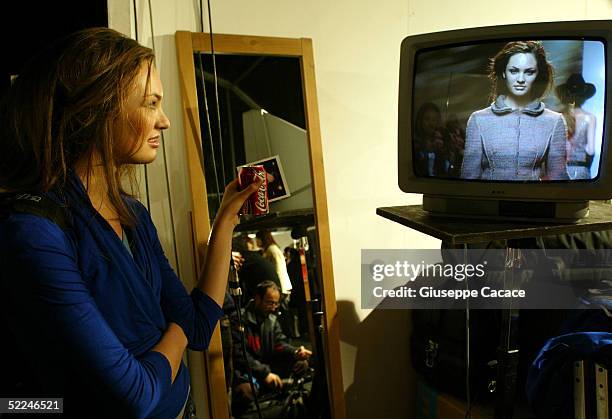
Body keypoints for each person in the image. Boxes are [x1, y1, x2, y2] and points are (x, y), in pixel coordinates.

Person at [0, 28, 261, 418]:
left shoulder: (134, 215)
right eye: (151, 103)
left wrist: (225, 219)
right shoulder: (34, 231)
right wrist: (176, 331)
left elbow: (200, 325)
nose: (165, 121)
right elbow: (135, 394)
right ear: (96, 110)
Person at [461, 41, 569, 181]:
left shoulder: (554, 121)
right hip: (488, 201)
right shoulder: (479, 119)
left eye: (529, 72)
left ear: (537, 75)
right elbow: (469, 177)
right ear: (504, 73)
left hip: (533, 201)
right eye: (514, 71)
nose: (520, 79)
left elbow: (558, 178)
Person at [231, 281, 311, 412]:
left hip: (266, 366)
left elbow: (279, 344)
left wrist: (296, 352)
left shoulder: (271, 320)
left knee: (302, 365)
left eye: (276, 303)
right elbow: (240, 355)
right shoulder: (239, 319)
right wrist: (265, 374)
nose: (274, 307)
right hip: (245, 372)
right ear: (257, 298)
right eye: (270, 302)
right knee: (245, 391)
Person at [556, 73, 597, 180]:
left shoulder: (557, 117)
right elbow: (591, 150)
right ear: (584, 96)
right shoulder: (590, 118)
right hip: (581, 170)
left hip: (561, 171)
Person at [413, 102, 446, 177]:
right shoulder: (414, 142)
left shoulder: (440, 140)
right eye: (427, 119)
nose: (431, 123)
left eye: (434, 119)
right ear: (420, 121)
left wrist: (441, 151)